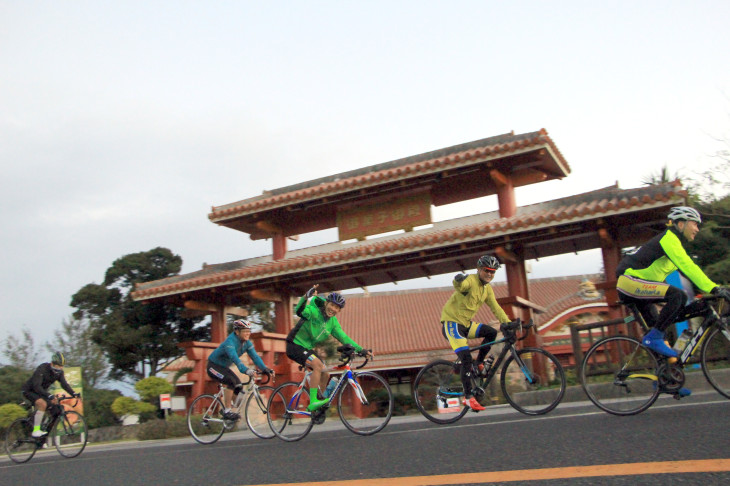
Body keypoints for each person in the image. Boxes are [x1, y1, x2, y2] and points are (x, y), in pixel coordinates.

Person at [616, 206, 730, 388]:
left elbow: (688, 272)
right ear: (681, 224)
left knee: (663, 327)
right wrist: (714, 288)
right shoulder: (669, 239)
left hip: (641, 286)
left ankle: (665, 380)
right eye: (694, 224)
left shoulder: (674, 244)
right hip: (630, 282)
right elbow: (688, 266)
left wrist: (709, 291)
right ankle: (654, 338)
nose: (697, 229)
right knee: (678, 296)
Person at [440, 255, 512, 412]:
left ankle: (479, 362)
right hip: (452, 324)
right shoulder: (471, 281)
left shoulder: (487, 289)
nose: (490, 274)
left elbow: (496, 308)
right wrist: (458, 280)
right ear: (479, 269)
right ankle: (467, 398)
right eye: (487, 270)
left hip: (465, 324)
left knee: (491, 332)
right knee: (466, 358)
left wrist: (507, 322)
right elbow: (461, 285)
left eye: (493, 272)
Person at [286, 284, 373, 412]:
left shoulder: (333, 323)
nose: (333, 309)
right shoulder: (313, 311)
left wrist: (362, 350)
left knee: (325, 373)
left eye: (337, 307)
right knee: (317, 365)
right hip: (294, 344)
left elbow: (345, 338)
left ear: (339, 311)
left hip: (307, 348)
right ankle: (313, 401)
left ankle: (319, 405)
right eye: (332, 305)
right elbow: (299, 311)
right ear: (326, 303)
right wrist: (305, 297)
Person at [207, 319, 274, 421]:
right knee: (230, 381)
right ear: (237, 332)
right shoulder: (230, 342)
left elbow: (255, 357)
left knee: (238, 387)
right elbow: (235, 359)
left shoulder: (247, 343)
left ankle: (231, 411)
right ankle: (227, 411)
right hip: (213, 366)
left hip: (223, 367)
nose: (248, 334)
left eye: (249, 331)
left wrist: (265, 369)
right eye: (245, 331)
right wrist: (246, 370)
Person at [21, 352, 79, 438]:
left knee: (57, 409)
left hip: (42, 392)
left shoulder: (59, 372)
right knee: (42, 404)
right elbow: (36, 386)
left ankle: (43, 437)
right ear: (52, 364)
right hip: (29, 390)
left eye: (62, 366)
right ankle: (36, 430)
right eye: (58, 366)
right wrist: (49, 395)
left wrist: (74, 393)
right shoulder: (42, 369)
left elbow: (64, 384)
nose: (60, 368)